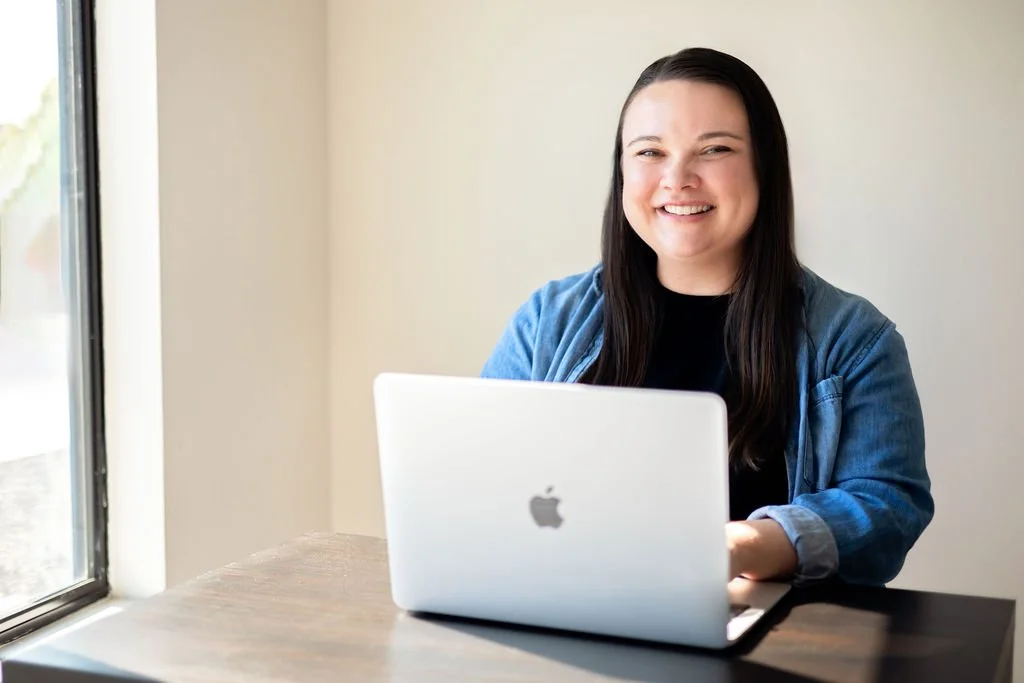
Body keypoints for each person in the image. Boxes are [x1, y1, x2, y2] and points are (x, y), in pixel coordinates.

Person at [480, 47, 933, 587]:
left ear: (765, 166)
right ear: (621, 172)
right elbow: (482, 472)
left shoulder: (854, 340)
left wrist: (740, 546)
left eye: (714, 149)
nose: (678, 178)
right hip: (559, 602)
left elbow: (888, 506)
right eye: (649, 152)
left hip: (755, 636)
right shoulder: (547, 321)